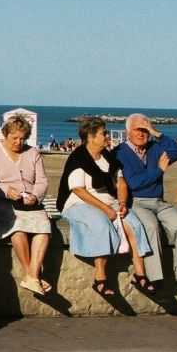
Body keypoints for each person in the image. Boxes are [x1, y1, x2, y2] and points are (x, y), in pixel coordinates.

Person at [57, 117, 153, 299]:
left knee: (134, 223)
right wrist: (104, 208)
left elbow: (121, 182)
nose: (107, 136)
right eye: (104, 133)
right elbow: (78, 190)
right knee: (101, 223)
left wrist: (122, 203)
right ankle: (99, 278)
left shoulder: (108, 157)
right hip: (78, 202)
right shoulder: (78, 157)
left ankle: (140, 274)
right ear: (91, 137)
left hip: (109, 200)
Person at [115, 112, 177, 294]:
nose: (142, 134)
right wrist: (159, 170)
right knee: (150, 227)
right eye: (138, 130)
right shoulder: (120, 152)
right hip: (136, 201)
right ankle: (155, 278)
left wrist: (156, 132)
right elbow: (134, 183)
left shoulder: (154, 147)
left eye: (145, 130)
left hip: (159, 201)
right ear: (128, 132)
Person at [0, 116, 52, 294]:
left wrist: (35, 195)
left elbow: (42, 180)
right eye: (15, 138)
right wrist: (5, 190)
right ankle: (33, 276)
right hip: (0, 200)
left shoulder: (32, 152)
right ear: (5, 135)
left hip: (29, 200)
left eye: (22, 139)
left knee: (44, 227)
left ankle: (31, 277)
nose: (19, 142)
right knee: (17, 227)